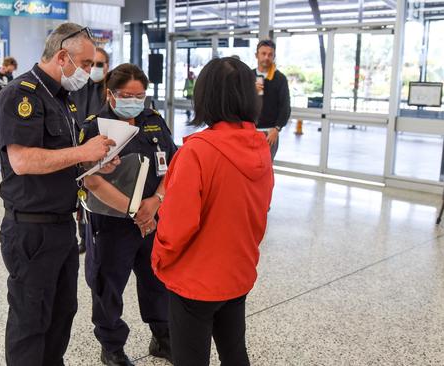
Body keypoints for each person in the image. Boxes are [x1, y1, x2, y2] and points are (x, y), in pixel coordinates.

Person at [0, 22, 116, 366]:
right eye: (87, 64)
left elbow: (61, 160)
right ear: (63, 57)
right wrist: (82, 153)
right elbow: (22, 160)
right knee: (31, 317)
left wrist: (94, 165)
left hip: (63, 225)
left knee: (62, 312)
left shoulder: (64, 99)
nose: (89, 72)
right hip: (31, 229)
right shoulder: (22, 94)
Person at [151, 57, 274, 366]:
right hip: (238, 272)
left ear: (204, 96)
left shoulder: (197, 151)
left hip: (195, 280)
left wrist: (159, 257)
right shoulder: (260, 146)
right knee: (234, 352)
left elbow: (177, 225)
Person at [81, 64, 176, 366]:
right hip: (112, 224)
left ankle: (163, 337)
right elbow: (91, 180)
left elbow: (172, 166)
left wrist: (156, 202)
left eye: (140, 95)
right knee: (108, 285)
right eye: (126, 95)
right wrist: (138, 211)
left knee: (157, 281)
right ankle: (111, 346)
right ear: (110, 94)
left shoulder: (153, 121)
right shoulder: (95, 127)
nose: (134, 101)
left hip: (153, 218)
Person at [70, 46, 110, 255]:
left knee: (100, 195)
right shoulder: (76, 87)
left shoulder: (110, 91)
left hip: (104, 152)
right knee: (80, 198)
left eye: (99, 64)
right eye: (91, 64)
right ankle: (83, 238)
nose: (94, 68)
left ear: (107, 67)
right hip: (78, 150)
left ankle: (98, 237)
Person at [253, 39, 290, 160]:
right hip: (248, 131)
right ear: (256, 55)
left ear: (274, 57)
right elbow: (236, 101)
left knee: (266, 168)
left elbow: (285, 107)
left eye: (270, 54)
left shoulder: (280, 79)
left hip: (269, 133)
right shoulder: (247, 75)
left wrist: (277, 128)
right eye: (263, 53)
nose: (266, 57)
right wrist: (249, 89)